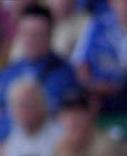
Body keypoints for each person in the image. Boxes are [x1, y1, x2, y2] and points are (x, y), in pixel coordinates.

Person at [0, 4, 78, 141]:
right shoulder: (8, 73)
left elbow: (67, 118)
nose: (30, 39)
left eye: (37, 34)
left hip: (48, 145)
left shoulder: (66, 74)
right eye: (26, 33)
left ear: (50, 35)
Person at [0, 78, 59, 156]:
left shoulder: (59, 136)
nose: (23, 111)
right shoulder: (14, 138)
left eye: (28, 104)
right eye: (17, 106)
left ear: (42, 105)